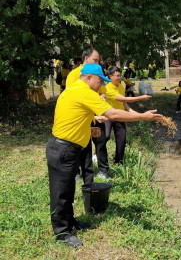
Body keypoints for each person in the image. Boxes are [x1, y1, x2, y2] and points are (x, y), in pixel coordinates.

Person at [46, 63, 162, 247]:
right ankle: (61, 233)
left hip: (66, 147)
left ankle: (70, 222)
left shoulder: (73, 88)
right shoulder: (85, 92)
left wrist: (90, 126)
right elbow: (114, 113)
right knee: (61, 192)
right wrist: (143, 116)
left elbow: (74, 115)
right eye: (100, 80)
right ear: (89, 78)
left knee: (68, 189)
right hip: (64, 149)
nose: (101, 85)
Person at [66, 49, 100, 184]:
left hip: (90, 116)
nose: (98, 63)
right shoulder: (74, 75)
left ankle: (89, 182)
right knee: (75, 147)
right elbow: (71, 96)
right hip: (77, 119)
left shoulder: (95, 73)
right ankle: (75, 173)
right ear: (86, 58)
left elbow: (100, 92)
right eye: (95, 60)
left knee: (87, 149)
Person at [105, 66, 152, 165]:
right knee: (105, 137)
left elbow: (124, 104)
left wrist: (134, 113)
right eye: (117, 76)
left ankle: (119, 162)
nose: (119, 78)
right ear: (110, 76)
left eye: (120, 76)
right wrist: (141, 97)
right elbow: (123, 99)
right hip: (108, 116)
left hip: (120, 115)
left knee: (122, 139)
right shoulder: (107, 88)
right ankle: (99, 156)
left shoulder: (121, 87)